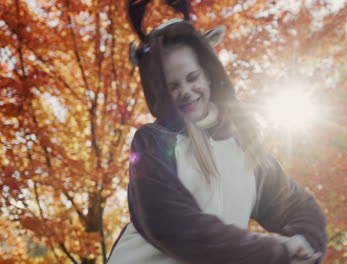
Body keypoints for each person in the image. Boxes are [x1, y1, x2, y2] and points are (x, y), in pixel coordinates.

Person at [107, 1, 328, 263]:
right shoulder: (153, 141)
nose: (186, 91)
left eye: (192, 78)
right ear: (159, 91)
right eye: (172, 85)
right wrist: (272, 250)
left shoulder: (244, 149)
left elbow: (297, 206)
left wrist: (303, 243)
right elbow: (171, 223)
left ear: (208, 76)